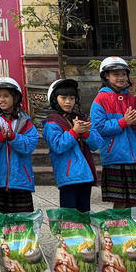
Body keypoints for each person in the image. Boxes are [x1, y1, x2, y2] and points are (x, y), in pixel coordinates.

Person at [90, 56, 136, 206]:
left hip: (135, 156)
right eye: (116, 74)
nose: (121, 78)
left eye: (123, 74)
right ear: (106, 76)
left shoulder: (133, 100)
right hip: (115, 157)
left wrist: (135, 125)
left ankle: (133, 229)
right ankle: (117, 228)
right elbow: (99, 128)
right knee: (120, 202)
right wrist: (124, 122)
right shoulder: (100, 99)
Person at [43, 78, 101, 213]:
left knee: (85, 213)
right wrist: (74, 132)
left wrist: (86, 133)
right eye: (63, 98)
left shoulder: (82, 119)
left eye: (72, 98)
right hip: (68, 176)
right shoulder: (52, 122)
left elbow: (97, 144)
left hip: (85, 175)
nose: (68, 102)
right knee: (69, 216)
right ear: (54, 99)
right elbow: (57, 146)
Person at [0, 77, 40, 214]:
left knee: (22, 223)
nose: (2, 99)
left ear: (16, 98)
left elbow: (30, 145)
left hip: (21, 181)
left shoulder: (24, 121)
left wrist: (13, 137)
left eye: (6, 96)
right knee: (0, 223)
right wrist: (0, 137)